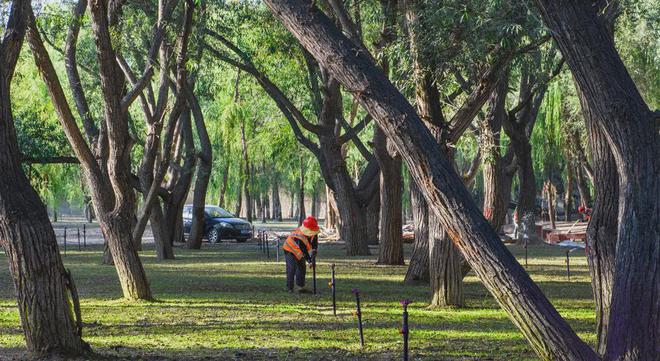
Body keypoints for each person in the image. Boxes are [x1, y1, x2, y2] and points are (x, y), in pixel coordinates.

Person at [283, 216, 320, 293]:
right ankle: (289, 288)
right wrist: (309, 261)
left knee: (302, 267)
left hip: (299, 252)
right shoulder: (299, 235)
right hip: (289, 249)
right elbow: (303, 250)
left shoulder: (313, 233)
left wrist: (314, 250)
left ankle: (300, 287)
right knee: (292, 268)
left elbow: (314, 242)